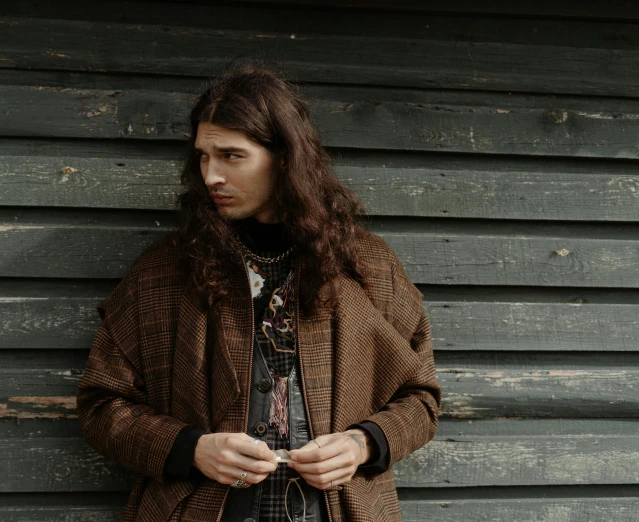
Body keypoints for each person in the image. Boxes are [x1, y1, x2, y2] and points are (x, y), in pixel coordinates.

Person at [77, 59, 442, 522]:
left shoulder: (366, 267)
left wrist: (364, 443)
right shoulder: (165, 271)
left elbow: (421, 399)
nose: (211, 176)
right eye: (204, 157)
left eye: (231, 156)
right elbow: (101, 405)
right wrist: (190, 449)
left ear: (285, 158)